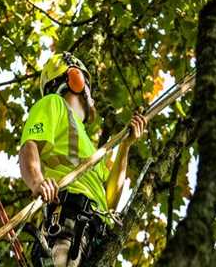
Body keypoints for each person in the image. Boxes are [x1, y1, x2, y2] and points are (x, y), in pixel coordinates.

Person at [19, 52, 147, 267]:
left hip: (95, 233)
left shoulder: (90, 147)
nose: (92, 96)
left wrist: (125, 147)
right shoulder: (54, 104)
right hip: (68, 221)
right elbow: (29, 146)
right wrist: (37, 182)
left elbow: (110, 202)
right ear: (75, 79)